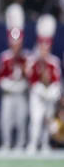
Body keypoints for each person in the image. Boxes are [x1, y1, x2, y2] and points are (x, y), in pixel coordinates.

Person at [26, 14, 61, 154]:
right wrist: (41, 90)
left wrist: (51, 93)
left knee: (48, 120)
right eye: (41, 47)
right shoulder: (33, 61)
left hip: (49, 96)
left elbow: (57, 81)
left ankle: (45, 144)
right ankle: (33, 143)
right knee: (35, 120)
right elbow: (31, 79)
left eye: (46, 47)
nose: (44, 50)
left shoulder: (54, 62)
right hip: (37, 96)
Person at [0, 4, 29, 151]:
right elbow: (2, 79)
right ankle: (6, 143)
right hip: (9, 94)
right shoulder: (5, 57)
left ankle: (21, 144)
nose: (16, 45)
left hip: (21, 94)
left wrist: (21, 79)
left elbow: (28, 79)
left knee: (21, 120)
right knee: (6, 120)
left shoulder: (26, 57)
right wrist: (13, 85)